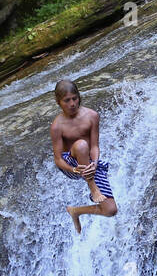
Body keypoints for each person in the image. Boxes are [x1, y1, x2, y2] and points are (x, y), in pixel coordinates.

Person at [50, 78, 118, 233]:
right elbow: (58, 159)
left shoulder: (92, 116)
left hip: (89, 164)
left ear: (79, 97)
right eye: (67, 100)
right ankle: (93, 188)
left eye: (74, 98)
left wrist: (94, 163)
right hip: (70, 165)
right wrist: (75, 170)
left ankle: (76, 211)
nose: (72, 103)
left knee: (110, 210)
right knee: (81, 145)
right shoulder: (57, 126)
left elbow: (94, 146)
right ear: (58, 102)